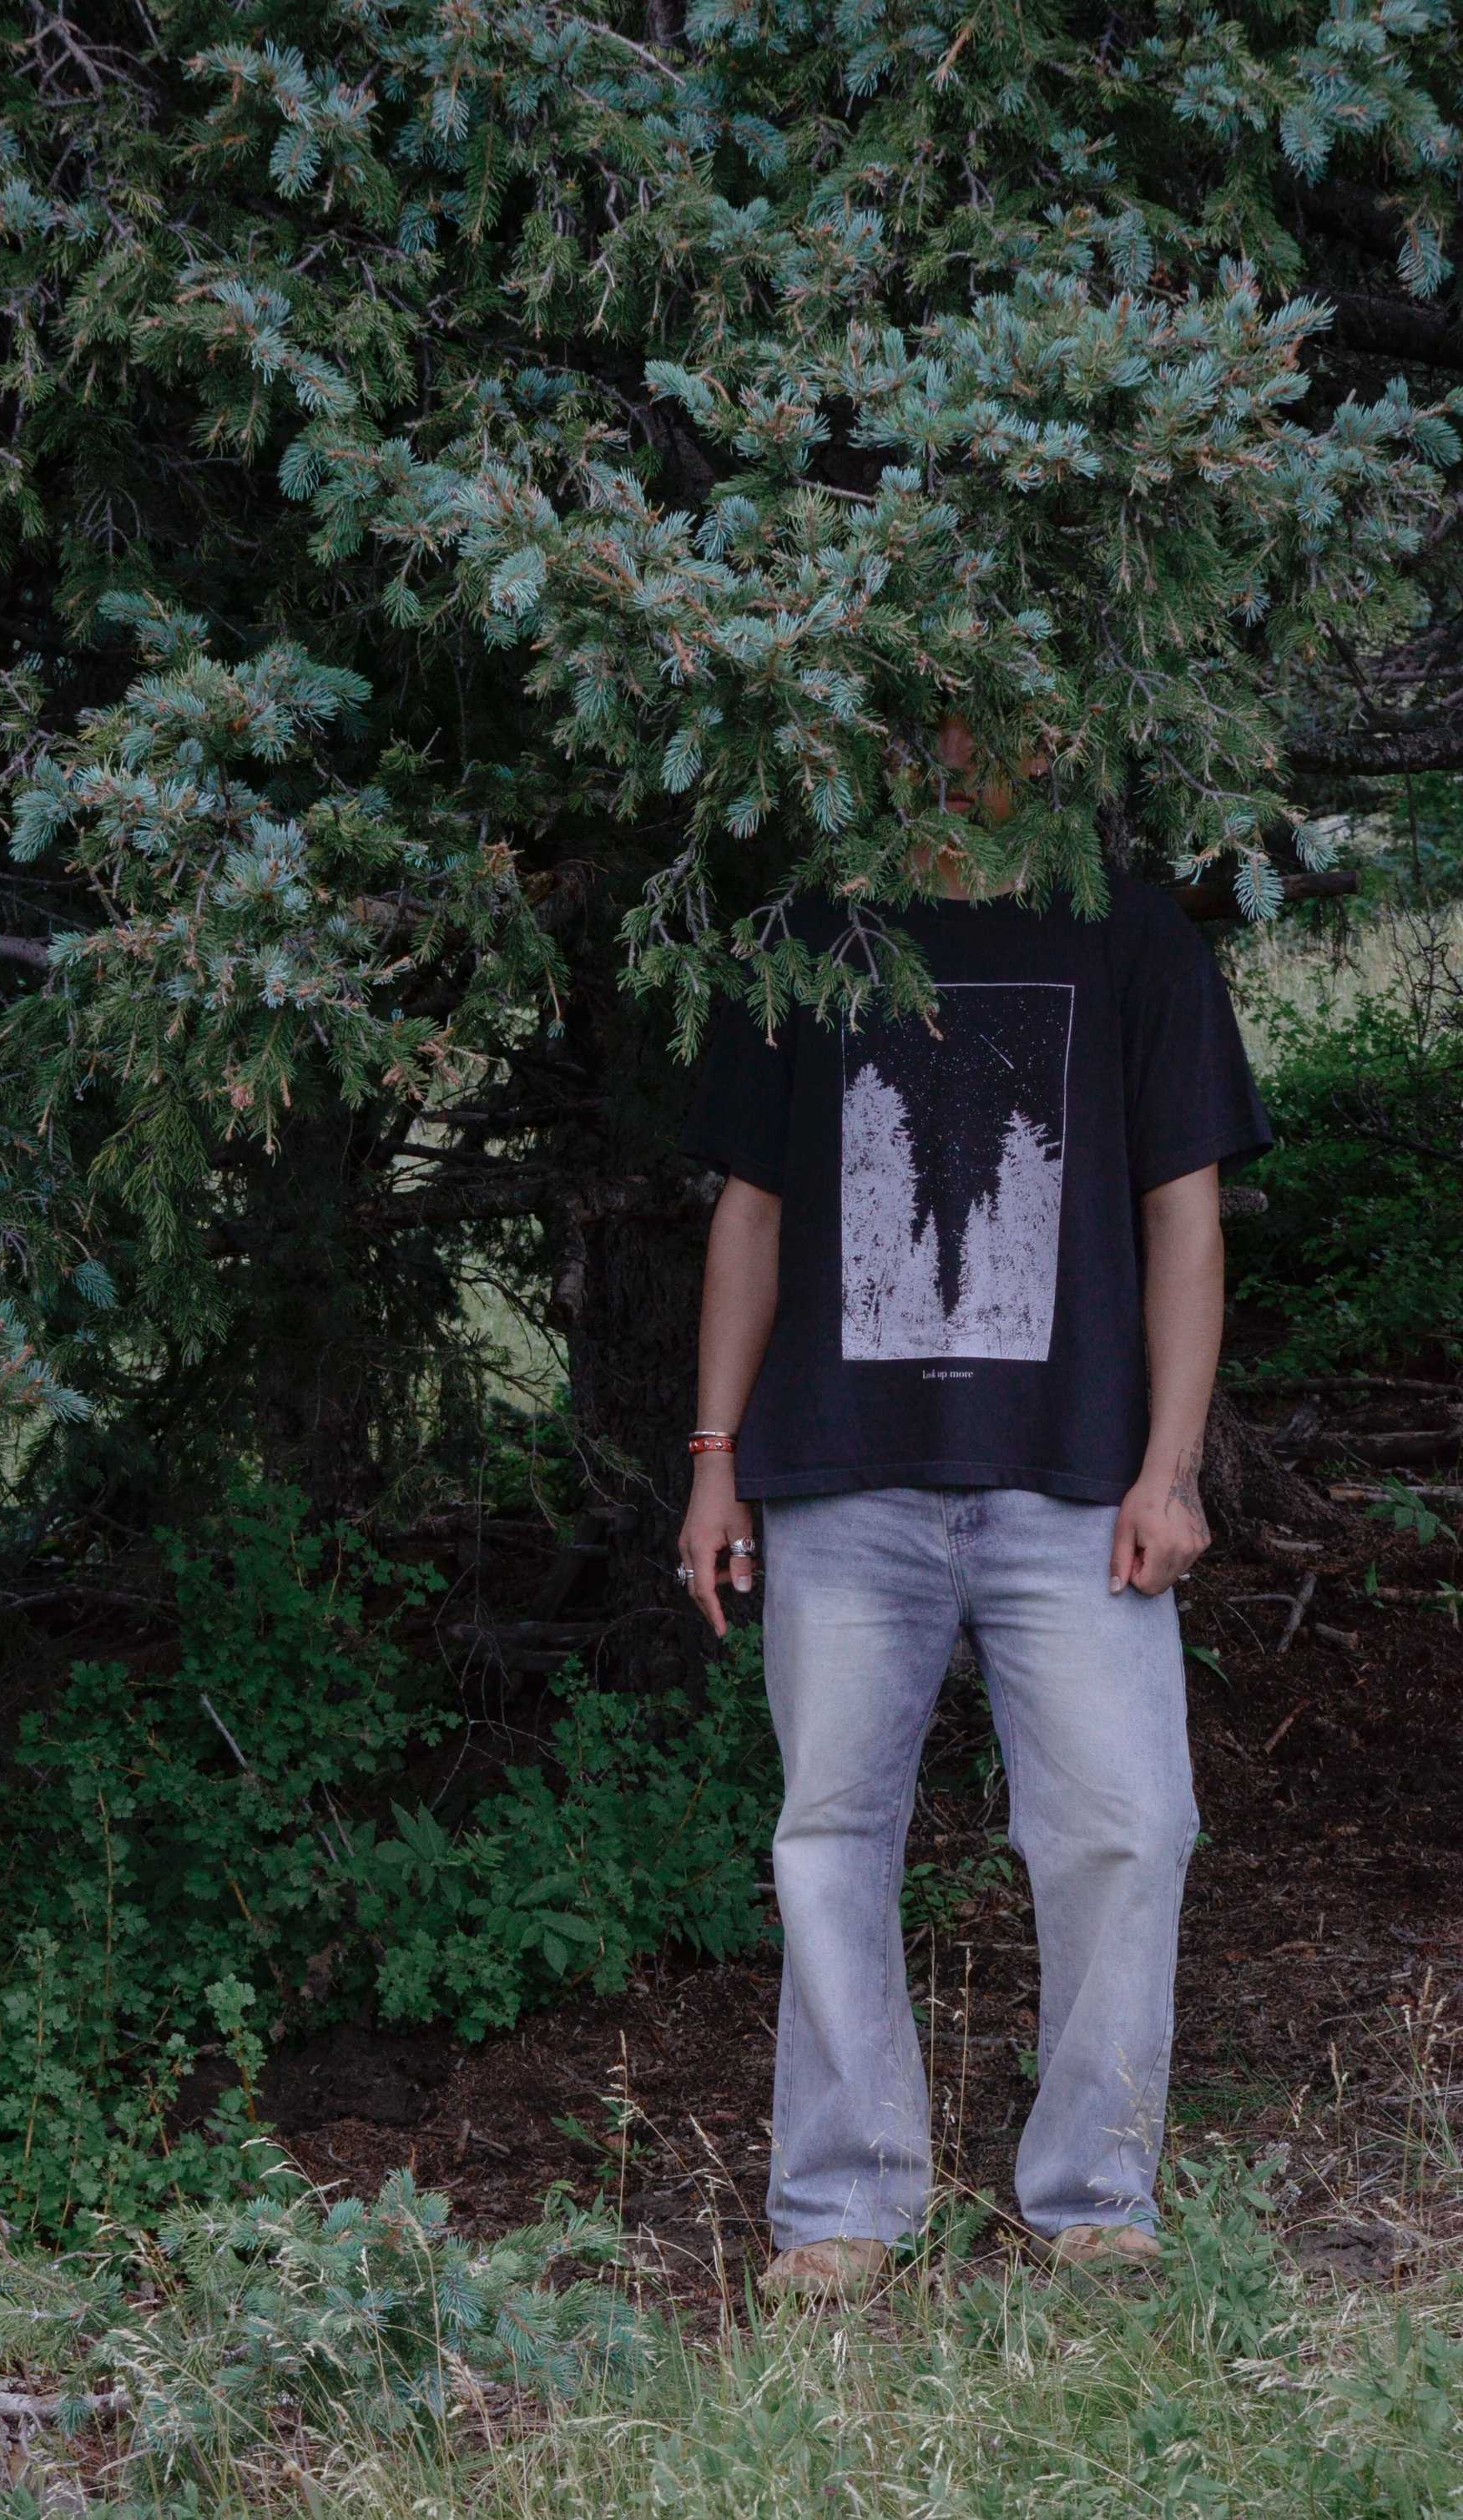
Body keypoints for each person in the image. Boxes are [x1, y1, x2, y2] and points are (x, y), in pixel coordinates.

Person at [675, 732, 1272, 2296]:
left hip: (1075, 1483)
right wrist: (715, 1457)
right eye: (922, 716)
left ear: (1051, 728)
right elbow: (753, 1212)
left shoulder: (1130, 935)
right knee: (828, 1841)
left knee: (1128, 1826)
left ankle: (1096, 2193)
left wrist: (1171, 1468)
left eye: (984, 714)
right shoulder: (814, 935)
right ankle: (842, 2209)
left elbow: (1184, 1213)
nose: (951, 750)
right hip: (842, 1474)